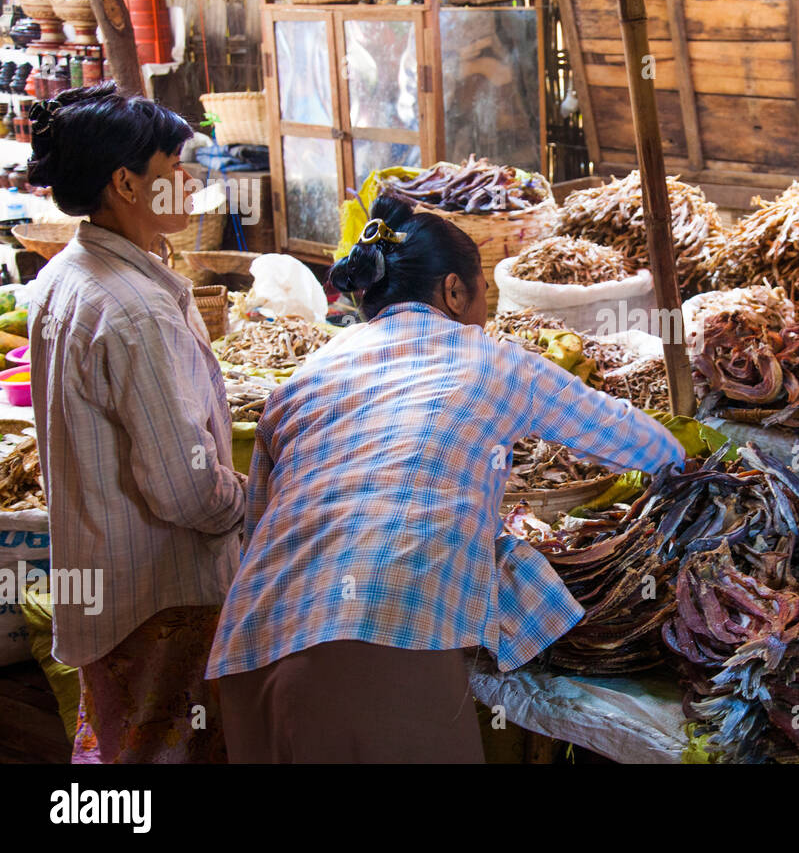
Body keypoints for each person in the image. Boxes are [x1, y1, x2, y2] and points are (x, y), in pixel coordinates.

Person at [207, 195, 685, 763]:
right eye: (485, 293)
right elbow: (650, 446)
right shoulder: (494, 360)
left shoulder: (303, 379)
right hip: (381, 651)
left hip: (249, 651)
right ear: (455, 291)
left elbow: (260, 525)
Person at [25, 83, 246, 763]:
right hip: (162, 597)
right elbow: (183, 490)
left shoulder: (68, 275)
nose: (187, 181)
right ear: (126, 182)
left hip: (110, 586)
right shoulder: (133, 310)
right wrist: (247, 495)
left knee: (127, 750)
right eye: (173, 167)